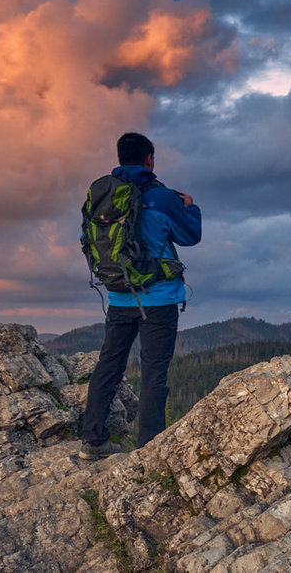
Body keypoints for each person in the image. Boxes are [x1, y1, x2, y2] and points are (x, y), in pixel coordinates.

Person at [79, 132, 201, 460]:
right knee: (153, 371)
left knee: (109, 365)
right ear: (150, 160)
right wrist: (191, 207)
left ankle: (93, 441)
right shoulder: (161, 197)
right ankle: (148, 451)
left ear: (120, 159)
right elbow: (191, 236)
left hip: (119, 296)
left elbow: (87, 238)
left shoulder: (101, 195)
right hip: (158, 298)